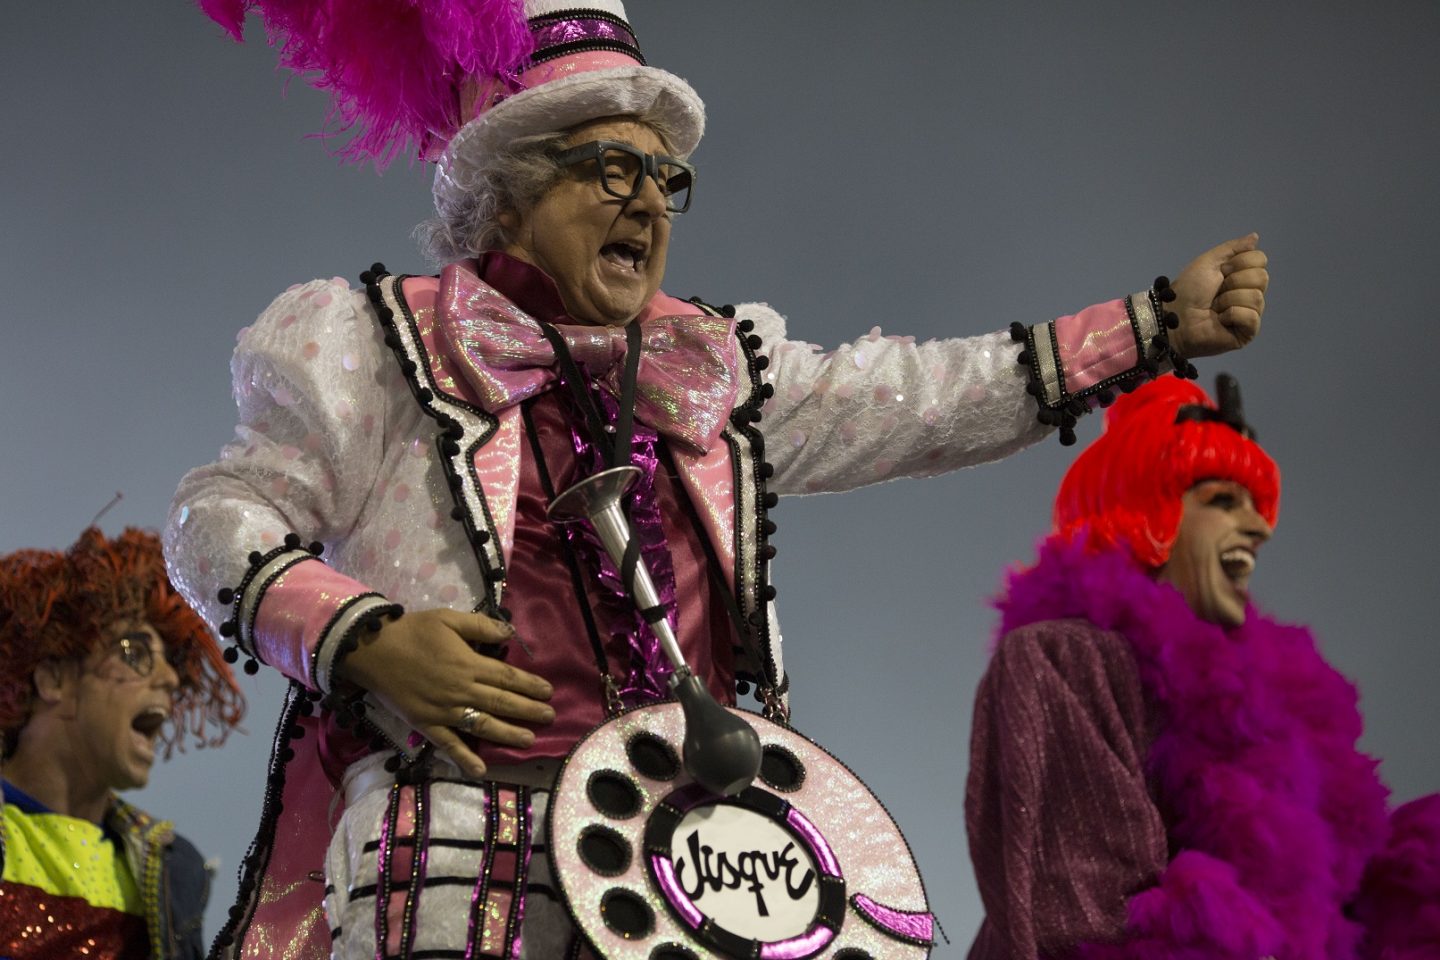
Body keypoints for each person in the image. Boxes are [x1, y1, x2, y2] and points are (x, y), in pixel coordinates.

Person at [168, 1, 1270, 956]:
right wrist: (359, 635)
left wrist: (1153, 322)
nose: (649, 204)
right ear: (503, 196)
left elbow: (926, 396)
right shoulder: (367, 345)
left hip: (691, 876)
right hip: (463, 869)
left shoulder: (712, 370)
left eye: (663, 177)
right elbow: (218, 516)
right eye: (611, 167)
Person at [965, 375, 1440, 959]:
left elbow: (1337, 908)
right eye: (1222, 501)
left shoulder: (1275, 714)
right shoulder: (1063, 659)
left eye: (1256, 507)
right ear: (1146, 512)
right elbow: (1086, 918)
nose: (1261, 527)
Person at [0, 527, 245, 960]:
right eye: (134, 652)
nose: (169, 680)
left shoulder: (176, 873)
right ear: (53, 678)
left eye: (172, 666)